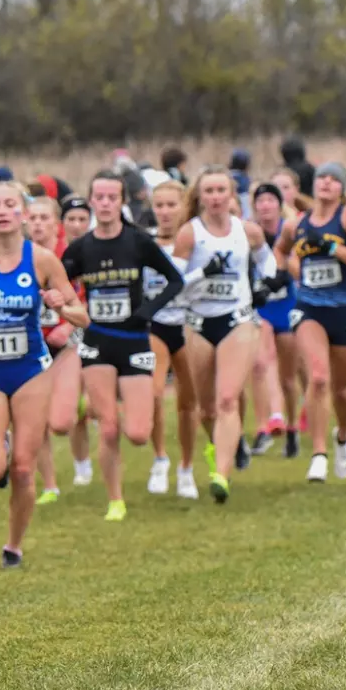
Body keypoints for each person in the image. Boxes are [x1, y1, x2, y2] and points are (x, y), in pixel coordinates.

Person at [0, 180, 83, 563]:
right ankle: (1, 449)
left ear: (22, 213)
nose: (3, 211)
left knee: (24, 471)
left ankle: (14, 545)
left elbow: (82, 315)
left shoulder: (42, 260)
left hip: (31, 372)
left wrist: (61, 307)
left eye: (10, 204)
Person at [61, 172, 187, 522]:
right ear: (91, 201)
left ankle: (107, 410)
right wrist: (68, 308)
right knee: (109, 428)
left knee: (138, 433)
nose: (105, 204)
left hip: (134, 342)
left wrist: (147, 311)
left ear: (122, 202)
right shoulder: (81, 248)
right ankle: (115, 500)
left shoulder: (138, 242)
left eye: (111, 198)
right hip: (97, 343)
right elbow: (57, 282)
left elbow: (174, 281)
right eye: (99, 197)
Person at [170, 166, 284, 502]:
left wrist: (265, 285)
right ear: (200, 196)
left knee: (227, 399)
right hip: (198, 323)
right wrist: (203, 275)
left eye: (222, 190)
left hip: (238, 319)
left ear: (232, 195)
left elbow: (269, 263)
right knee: (206, 410)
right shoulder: (189, 234)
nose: (216, 197)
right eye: (209, 191)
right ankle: (226, 444)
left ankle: (221, 475)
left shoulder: (248, 231)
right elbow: (174, 285)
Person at [281, 163, 346, 483]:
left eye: (335, 179)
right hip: (309, 307)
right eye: (322, 177)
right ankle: (319, 454)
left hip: (345, 308)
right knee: (319, 377)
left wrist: (332, 247)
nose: (326, 183)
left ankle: (343, 436)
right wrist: (291, 273)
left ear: (342, 189)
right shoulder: (297, 223)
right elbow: (280, 251)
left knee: (342, 389)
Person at [144, 181, 199, 498]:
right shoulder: (145, 244)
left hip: (188, 324)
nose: (165, 212)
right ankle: (160, 459)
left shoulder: (195, 241)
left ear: (184, 206)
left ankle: (187, 468)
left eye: (171, 205)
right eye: (159, 205)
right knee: (153, 393)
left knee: (188, 401)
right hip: (157, 325)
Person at [23, 195, 70, 503]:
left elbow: (86, 298)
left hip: (68, 343)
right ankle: (50, 485)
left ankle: (80, 403)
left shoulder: (69, 255)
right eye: (33, 218)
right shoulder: (17, 257)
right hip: (31, 345)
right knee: (36, 419)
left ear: (57, 224)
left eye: (44, 218)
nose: (38, 224)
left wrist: (69, 326)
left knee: (60, 422)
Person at [248, 183, 299, 460]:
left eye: (271, 200)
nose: (265, 205)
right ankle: (265, 426)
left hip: (287, 306)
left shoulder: (289, 232)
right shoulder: (249, 234)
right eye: (261, 201)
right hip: (261, 308)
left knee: (288, 377)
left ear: (280, 205)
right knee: (261, 363)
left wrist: (282, 257)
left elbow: (299, 270)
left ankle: (291, 428)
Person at [50, 194, 96, 486]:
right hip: (57, 338)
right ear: (62, 222)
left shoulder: (96, 251)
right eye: (71, 219)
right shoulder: (53, 255)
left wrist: (69, 325)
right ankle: (81, 465)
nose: (77, 225)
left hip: (90, 333)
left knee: (90, 406)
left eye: (82, 219)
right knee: (69, 414)